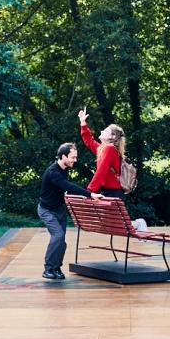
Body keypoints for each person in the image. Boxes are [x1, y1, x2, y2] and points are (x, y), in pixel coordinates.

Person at [38, 143, 103, 280]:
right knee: (58, 236)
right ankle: (48, 269)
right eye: (73, 157)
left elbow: (64, 188)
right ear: (63, 156)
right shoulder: (53, 172)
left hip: (59, 210)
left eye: (75, 157)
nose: (75, 160)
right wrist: (90, 194)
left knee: (61, 241)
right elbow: (68, 185)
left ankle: (56, 268)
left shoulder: (63, 169)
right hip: (47, 210)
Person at [77, 108, 127, 199]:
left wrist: (89, 191)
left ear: (113, 136)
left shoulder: (110, 148)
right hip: (108, 191)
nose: (101, 131)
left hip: (112, 193)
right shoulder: (104, 148)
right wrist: (83, 122)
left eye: (105, 131)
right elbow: (89, 141)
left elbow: (101, 171)